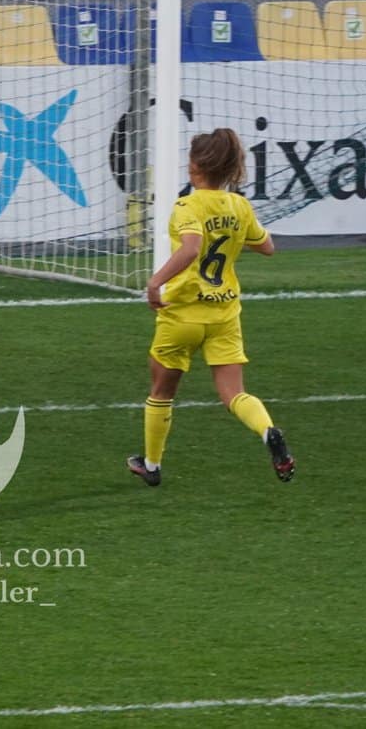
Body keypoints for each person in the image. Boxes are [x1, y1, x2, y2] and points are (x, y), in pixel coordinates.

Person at [128, 128, 294, 488]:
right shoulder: (239, 205)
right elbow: (267, 247)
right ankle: (268, 431)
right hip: (224, 314)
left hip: (183, 313)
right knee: (235, 393)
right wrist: (233, 235)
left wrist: (155, 282)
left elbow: (190, 248)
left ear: (196, 166)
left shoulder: (187, 205)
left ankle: (152, 465)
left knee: (162, 391)